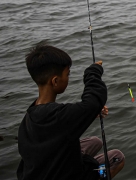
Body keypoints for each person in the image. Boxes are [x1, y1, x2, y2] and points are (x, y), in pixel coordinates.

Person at [17, 44, 125, 180]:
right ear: (55, 81)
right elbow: (93, 101)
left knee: (95, 142)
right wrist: (93, 72)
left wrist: (88, 113)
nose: (68, 77)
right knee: (117, 157)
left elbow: (71, 116)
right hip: (65, 175)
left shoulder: (30, 116)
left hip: (40, 171)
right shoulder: (59, 118)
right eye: (67, 74)